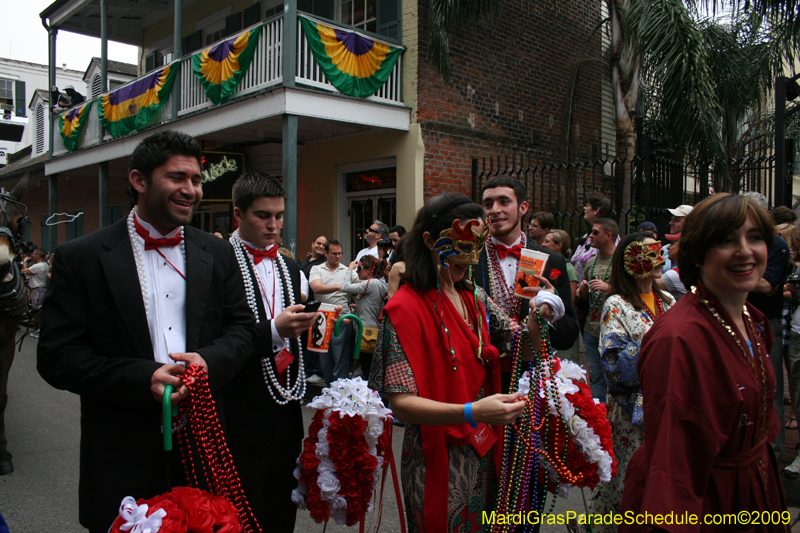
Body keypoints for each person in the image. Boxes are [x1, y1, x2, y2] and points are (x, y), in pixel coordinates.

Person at [36, 131, 256, 533]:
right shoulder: (81, 257)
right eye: (177, 178)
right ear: (139, 180)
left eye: (196, 180)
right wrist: (142, 377)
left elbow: (242, 331)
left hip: (202, 447)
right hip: (121, 454)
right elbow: (56, 356)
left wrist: (207, 363)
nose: (191, 190)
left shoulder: (218, 251)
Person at [369, 192, 553, 533]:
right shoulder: (403, 310)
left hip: (484, 448)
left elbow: (522, 351)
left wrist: (537, 319)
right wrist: (472, 412)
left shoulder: (476, 298)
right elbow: (402, 404)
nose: (468, 262)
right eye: (459, 250)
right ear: (428, 240)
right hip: (436, 455)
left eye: (476, 250)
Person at [620, 193, 790, 532]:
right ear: (699, 254)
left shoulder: (749, 317)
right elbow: (673, 465)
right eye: (726, 240)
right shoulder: (679, 340)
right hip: (709, 504)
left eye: (755, 237)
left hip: (752, 490)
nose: (745, 250)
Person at [222, 171, 320, 532]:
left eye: (279, 216)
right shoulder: (220, 261)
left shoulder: (290, 265)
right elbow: (218, 339)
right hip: (239, 410)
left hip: (285, 410)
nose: (273, 225)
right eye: (263, 216)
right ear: (238, 215)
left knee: (282, 509)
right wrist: (273, 331)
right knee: (243, 513)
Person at [588, 232, 673, 528]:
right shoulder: (617, 304)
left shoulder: (668, 300)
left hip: (667, 406)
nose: (659, 258)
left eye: (659, 251)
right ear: (631, 261)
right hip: (632, 410)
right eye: (649, 253)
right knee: (629, 476)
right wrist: (656, 344)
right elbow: (612, 363)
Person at [475, 176, 578, 392]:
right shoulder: (470, 259)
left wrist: (552, 312)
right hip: (482, 376)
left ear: (523, 208)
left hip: (532, 378)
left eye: (504, 202)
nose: (494, 210)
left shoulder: (552, 261)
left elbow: (567, 336)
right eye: (488, 204)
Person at [577, 217, 618, 402]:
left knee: (615, 375)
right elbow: (584, 297)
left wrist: (608, 288)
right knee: (595, 376)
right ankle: (600, 415)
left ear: (608, 236)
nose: (589, 236)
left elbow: (633, 291)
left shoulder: (620, 260)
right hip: (591, 329)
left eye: (595, 232)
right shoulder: (591, 262)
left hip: (614, 329)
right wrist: (583, 289)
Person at [309, 240, 358, 384]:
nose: (338, 257)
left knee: (341, 358)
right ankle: (330, 392)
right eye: (334, 254)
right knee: (324, 359)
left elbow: (360, 287)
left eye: (340, 254)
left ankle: (341, 391)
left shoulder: (346, 271)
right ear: (326, 253)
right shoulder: (317, 269)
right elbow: (316, 288)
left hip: (341, 318)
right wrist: (339, 286)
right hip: (321, 318)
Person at [343, 254, 388, 378]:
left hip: (366, 332)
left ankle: (369, 395)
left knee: (366, 368)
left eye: (359, 268)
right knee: (368, 367)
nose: (357, 272)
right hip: (371, 329)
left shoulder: (371, 284)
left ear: (369, 270)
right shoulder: (378, 284)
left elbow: (345, 287)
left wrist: (349, 270)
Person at [542, 229, 580, 361]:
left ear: (559, 246)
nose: (543, 244)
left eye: (547, 241)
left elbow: (570, 300)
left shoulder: (568, 269)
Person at [571, 191, 613, 282]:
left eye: (587, 205)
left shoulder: (609, 237)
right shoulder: (586, 236)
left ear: (596, 210)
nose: (584, 208)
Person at [22, 247, 49, 338]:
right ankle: (38, 328)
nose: (32, 255)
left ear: (38, 255)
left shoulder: (38, 266)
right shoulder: (44, 264)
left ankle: (40, 330)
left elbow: (24, 271)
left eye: (34, 253)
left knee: (38, 311)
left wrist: (25, 262)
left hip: (38, 290)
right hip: (41, 288)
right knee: (38, 311)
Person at [662, 204, 693, 271]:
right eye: (672, 219)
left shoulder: (694, 250)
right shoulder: (664, 249)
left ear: (690, 223)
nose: (671, 223)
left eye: (676, 220)